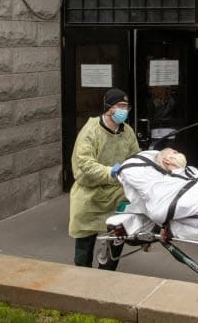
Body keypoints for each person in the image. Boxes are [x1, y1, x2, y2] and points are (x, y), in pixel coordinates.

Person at [68, 88, 140, 270]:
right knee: (85, 242)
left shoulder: (127, 132)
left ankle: (107, 275)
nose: (124, 110)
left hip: (116, 193)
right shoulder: (91, 131)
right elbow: (84, 162)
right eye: (120, 105)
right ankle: (81, 277)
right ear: (109, 107)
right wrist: (110, 172)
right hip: (90, 194)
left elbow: (135, 156)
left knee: (116, 237)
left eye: (126, 106)